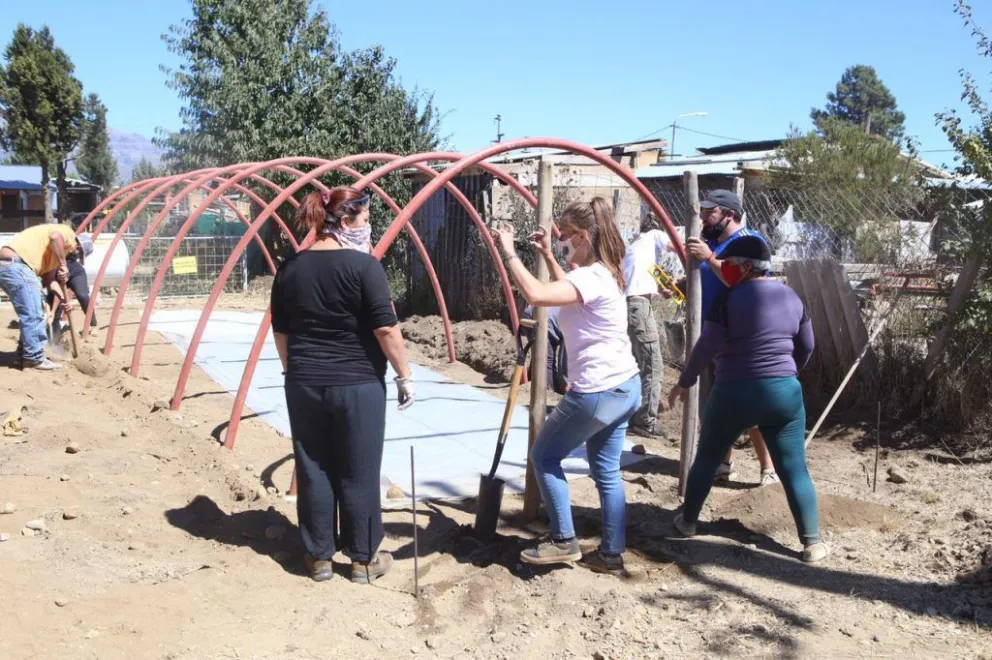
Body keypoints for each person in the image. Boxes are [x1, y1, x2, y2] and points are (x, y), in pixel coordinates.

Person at [270, 186, 416, 584]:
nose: (368, 227)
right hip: (358, 385)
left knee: (314, 466)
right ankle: (363, 559)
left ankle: (318, 557)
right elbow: (385, 328)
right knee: (359, 468)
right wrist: (404, 376)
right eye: (366, 219)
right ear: (346, 220)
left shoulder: (291, 268)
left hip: (304, 383)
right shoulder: (364, 267)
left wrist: (293, 372)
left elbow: (280, 331)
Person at [493, 198, 641, 576]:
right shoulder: (605, 271)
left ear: (585, 236)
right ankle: (611, 554)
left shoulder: (591, 276)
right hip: (625, 385)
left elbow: (538, 295)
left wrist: (509, 253)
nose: (563, 242)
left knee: (544, 457)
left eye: (566, 237)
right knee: (606, 471)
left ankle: (563, 541)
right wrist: (546, 252)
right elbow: (569, 288)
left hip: (596, 391)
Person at [667, 236, 827, 563]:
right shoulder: (793, 297)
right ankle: (811, 543)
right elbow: (808, 345)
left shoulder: (727, 300)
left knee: (709, 457)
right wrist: (787, 373)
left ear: (744, 268)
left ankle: (687, 522)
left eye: (727, 265)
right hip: (784, 394)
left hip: (733, 392)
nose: (723, 270)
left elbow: (707, 346)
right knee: (794, 468)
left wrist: (685, 381)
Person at [684, 189, 778, 486]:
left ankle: (768, 469)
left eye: (710, 212)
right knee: (716, 404)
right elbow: (710, 277)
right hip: (711, 330)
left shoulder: (749, 243)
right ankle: (724, 464)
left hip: (740, 334)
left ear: (730, 214)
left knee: (749, 406)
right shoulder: (711, 242)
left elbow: (742, 280)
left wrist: (709, 258)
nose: (704, 216)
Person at [0, 223, 88, 370]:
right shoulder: (68, 234)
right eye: (75, 253)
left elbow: (50, 281)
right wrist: (63, 264)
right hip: (18, 265)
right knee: (33, 314)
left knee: (34, 310)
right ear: (76, 248)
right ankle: (34, 358)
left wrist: (63, 300)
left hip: (8, 265)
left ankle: (22, 356)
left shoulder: (50, 256)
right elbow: (55, 237)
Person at [622, 211, 676, 437]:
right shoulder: (655, 235)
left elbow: (653, 273)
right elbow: (676, 246)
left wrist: (665, 289)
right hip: (639, 307)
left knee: (636, 363)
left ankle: (631, 415)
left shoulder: (638, 248)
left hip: (630, 306)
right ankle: (645, 421)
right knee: (653, 365)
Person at [48, 233, 97, 333]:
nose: (77, 251)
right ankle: (54, 329)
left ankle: (92, 324)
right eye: (78, 248)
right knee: (53, 299)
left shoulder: (76, 261)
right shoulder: (60, 246)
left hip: (75, 272)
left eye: (80, 251)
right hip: (58, 270)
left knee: (83, 296)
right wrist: (53, 310)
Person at [521, 304, 568, 394]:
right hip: (538, 317)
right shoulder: (577, 328)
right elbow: (564, 358)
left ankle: (528, 380)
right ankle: (548, 391)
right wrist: (566, 383)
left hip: (541, 313)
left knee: (539, 356)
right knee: (546, 359)